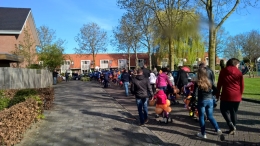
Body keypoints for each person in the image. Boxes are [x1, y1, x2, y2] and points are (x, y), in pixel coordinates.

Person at [216, 58, 244, 135]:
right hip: (236, 95)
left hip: (226, 94)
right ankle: (233, 128)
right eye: (238, 65)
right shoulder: (239, 72)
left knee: (223, 110)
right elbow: (242, 85)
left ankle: (230, 124)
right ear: (235, 64)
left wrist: (217, 95)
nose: (238, 66)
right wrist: (240, 94)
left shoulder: (223, 71)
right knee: (234, 112)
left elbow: (219, 84)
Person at [193, 67, 223, 139]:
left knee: (201, 117)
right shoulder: (209, 81)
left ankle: (203, 134)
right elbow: (216, 90)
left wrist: (194, 99)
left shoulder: (198, 82)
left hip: (202, 100)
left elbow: (195, 93)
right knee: (210, 116)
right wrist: (211, 94)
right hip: (210, 100)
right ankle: (217, 129)